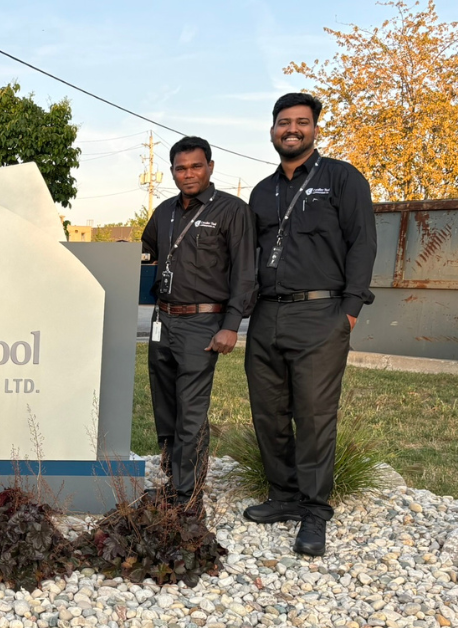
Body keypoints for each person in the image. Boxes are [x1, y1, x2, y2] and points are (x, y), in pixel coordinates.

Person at [243, 93, 376, 556]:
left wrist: (351, 310)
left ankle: (315, 511)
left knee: (315, 417)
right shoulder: (261, 191)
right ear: (273, 130)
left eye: (302, 122)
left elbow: (363, 244)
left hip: (322, 313)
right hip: (267, 316)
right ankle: (283, 496)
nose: (291, 129)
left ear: (315, 129)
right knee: (269, 412)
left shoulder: (342, 178)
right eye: (284, 122)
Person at [140, 136, 256, 515]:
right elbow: (149, 255)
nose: (188, 174)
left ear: (210, 166)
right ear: (172, 171)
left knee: (190, 410)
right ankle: (175, 482)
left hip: (203, 323)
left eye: (195, 166)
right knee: (166, 407)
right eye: (180, 168)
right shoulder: (163, 212)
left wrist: (231, 326)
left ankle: (189, 498)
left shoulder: (232, 211)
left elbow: (244, 273)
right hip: (163, 320)